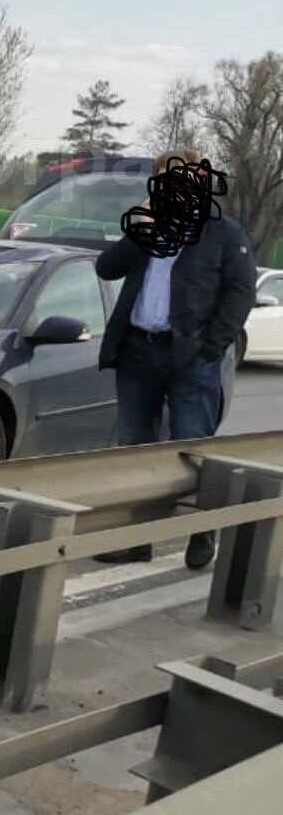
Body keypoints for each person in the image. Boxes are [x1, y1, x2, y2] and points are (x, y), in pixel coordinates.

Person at [94, 147, 256, 569]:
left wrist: (211, 349)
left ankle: (202, 535)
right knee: (135, 451)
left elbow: (241, 295)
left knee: (192, 450)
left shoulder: (224, 234)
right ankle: (138, 540)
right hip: (137, 352)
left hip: (191, 359)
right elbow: (106, 269)